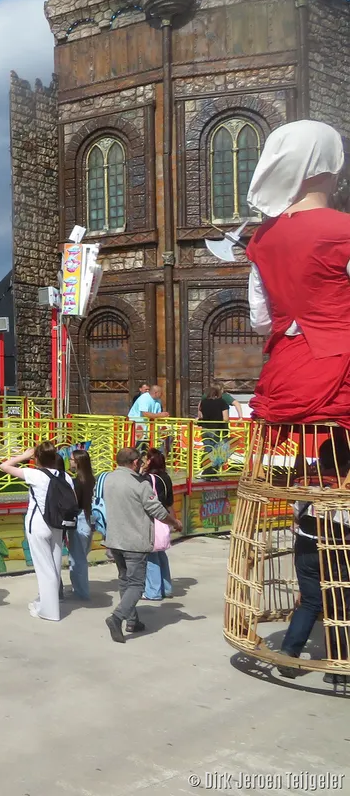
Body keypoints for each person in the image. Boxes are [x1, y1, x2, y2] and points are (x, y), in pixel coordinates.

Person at [244, 120, 350, 426]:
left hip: (284, 376)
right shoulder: (344, 231)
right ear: (332, 167)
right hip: (340, 374)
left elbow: (262, 322)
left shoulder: (262, 239)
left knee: (295, 471)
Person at [277, 435, 350, 686]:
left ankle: (289, 652)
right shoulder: (345, 484)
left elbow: (297, 513)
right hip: (336, 550)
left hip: (306, 547)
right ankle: (337, 667)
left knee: (310, 602)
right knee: (339, 606)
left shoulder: (308, 481)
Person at [101, 447, 182, 643]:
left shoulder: (108, 479)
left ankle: (132, 620)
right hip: (134, 542)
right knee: (137, 585)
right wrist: (175, 523)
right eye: (140, 461)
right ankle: (117, 617)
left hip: (115, 540)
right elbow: (158, 511)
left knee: (124, 581)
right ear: (135, 462)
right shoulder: (140, 484)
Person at [0, 442, 72, 622]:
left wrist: (24, 456)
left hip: (39, 524)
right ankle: (47, 602)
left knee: (44, 569)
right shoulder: (66, 476)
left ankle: (49, 611)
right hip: (58, 524)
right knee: (54, 567)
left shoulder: (35, 474)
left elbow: (4, 466)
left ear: (37, 458)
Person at [142, 448, 176, 600]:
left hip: (152, 519)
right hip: (163, 519)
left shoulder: (148, 478)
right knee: (161, 553)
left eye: (146, 459)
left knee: (151, 555)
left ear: (150, 461)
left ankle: (153, 591)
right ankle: (166, 587)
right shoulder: (166, 477)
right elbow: (169, 502)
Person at [64, 449, 96, 600]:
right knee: (81, 555)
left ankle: (81, 592)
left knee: (77, 559)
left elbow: (73, 504)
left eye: (71, 459)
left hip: (80, 518)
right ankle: (80, 589)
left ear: (78, 462)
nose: (69, 461)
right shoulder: (91, 479)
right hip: (89, 517)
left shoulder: (77, 482)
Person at [197, 383, 231, 475]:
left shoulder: (203, 402)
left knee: (207, 449)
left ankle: (204, 469)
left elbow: (200, 415)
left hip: (205, 428)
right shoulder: (222, 402)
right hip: (216, 429)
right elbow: (226, 418)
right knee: (214, 450)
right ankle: (210, 472)